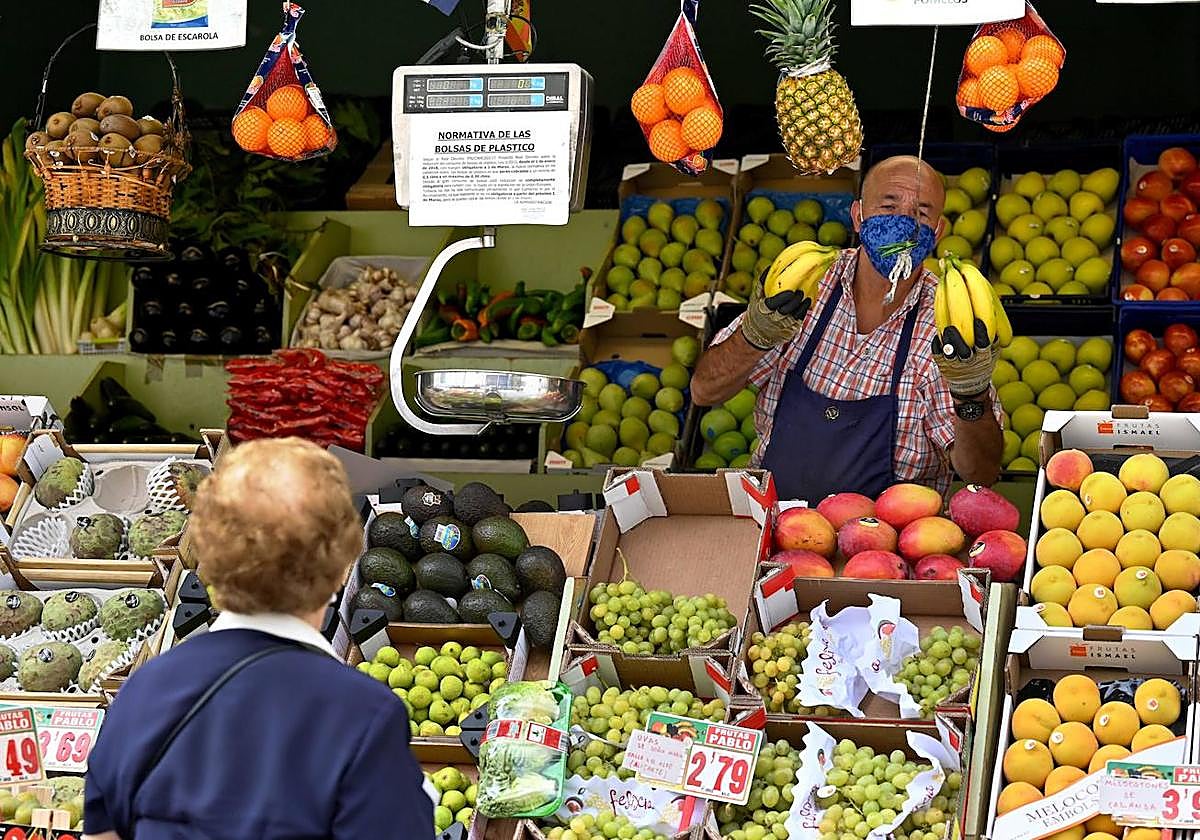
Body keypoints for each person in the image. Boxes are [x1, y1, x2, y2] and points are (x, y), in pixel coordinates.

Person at [84, 438, 431, 840]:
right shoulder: (362, 715)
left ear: (211, 561)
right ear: (341, 564)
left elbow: (102, 834)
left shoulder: (144, 688)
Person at [691, 155, 1003, 501]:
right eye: (888, 206)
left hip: (892, 544)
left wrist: (971, 393)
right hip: (775, 520)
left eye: (921, 213)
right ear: (858, 216)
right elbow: (704, 391)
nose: (903, 221)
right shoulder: (804, 288)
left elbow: (981, 473)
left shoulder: (947, 323)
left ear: (938, 231)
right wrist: (755, 335)